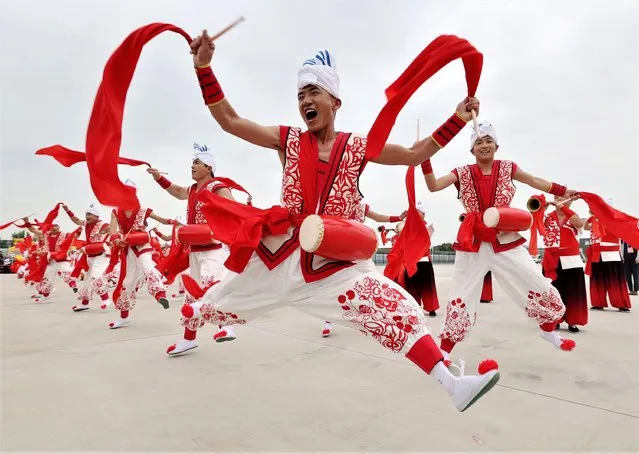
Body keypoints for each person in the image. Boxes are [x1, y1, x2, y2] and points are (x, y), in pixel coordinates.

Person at [183, 32, 500, 412]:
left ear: (335, 101)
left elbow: (415, 153)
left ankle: (453, 384)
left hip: (335, 266)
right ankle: (192, 320)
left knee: (395, 307)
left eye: (313, 92)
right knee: (216, 301)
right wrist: (203, 67)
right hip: (279, 259)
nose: (305, 101)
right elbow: (231, 121)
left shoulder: (357, 146)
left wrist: (458, 118)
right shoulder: (286, 140)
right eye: (300, 95)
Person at [422, 121, 578, 359]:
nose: (484, 145)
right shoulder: (461, 172)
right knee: (460, 296)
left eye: (488, 141)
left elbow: (534, 180)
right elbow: (433, 186)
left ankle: (548, 331)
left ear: (497, 145)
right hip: (473, 242)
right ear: (471, 150)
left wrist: (561, 190)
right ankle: (445, 352)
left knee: (535, 280)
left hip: (506, 238)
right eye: (478, 142)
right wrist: (425, 158)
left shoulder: (508, 167)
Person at [147, 144, 241, 355]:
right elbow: (178, 192)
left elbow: (234, 209)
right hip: (195, 251)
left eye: (196, 163)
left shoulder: (217, 187)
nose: (192, 166)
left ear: (208, 167)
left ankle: (226, 326)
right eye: (192, 163)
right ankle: (189, 340)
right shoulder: (191, 190)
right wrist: (158, 178)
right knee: (192, 296)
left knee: (211, 286)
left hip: (214, 248)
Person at [107, 178, 177, 329]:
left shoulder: (143, 211)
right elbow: (113, 230)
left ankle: (160, 295)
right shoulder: (115, 212)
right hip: (127, 247)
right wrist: (115, 240)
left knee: (148, 267)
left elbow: (162, 220)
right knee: (128, 281)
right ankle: (124, 317)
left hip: (143, 245)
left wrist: (174, 222)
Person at [540, 196, 588, 332]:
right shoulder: (548, 217)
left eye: (562, 198)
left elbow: (579, 224)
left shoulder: (573, 216)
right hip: (551, 259)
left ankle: (573, 320)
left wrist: (563, 208)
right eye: (556, 197)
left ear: (570, 201)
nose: (558, 199)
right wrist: (542, 209)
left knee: (573, 292)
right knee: (553, 291)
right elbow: (536, 226)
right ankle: (554, 320)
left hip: (571, 260)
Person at [60, 203, 114, 312]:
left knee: (96, 277)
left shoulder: (104, 225)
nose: (87, 216)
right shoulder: (87, 224)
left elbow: (114, 231)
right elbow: (76, 220)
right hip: (90, 255)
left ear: (96, 216)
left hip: (102, 256)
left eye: (89, 214)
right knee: (87, 281)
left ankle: (106, 299)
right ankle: (84, 303)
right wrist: (67, 210)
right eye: (86, 214)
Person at [394, 202, 439, 316]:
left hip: (421, 260)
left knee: (423, 286)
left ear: (423, 214)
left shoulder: (427, 226)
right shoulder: (408, 226)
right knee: (416, 287)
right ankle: (422, 307)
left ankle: (428, 308)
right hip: (412, 262)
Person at [585, 208, 632, 312]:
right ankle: (598, 303)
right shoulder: (593, 221)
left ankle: (620, 303)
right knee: (597, 280)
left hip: (612, 254)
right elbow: (585, 227)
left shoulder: (614, 221)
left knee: (615, 280)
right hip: (598, 253)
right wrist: (592, 217)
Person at [23, 218, 79, 302]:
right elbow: (33, 230)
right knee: (47, 278)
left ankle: (73, 285)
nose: (54, 227)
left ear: (59, 227)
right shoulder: (46, 234)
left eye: (56, 226)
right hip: (50, 260)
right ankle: (45, 295)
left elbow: (75, 236)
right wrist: (26, 222)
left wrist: (79, 231)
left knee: (66, 272)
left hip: (61, 259)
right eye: (52, 226)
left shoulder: (64, 234)